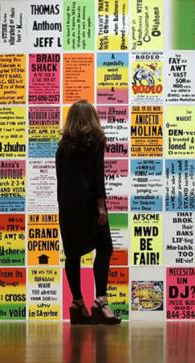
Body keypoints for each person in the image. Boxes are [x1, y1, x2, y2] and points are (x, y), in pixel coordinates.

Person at [56, 100, 121, 325]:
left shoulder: (62, 147)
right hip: (89, 205)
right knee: (105, 247)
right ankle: (100, 302)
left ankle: (77, 303)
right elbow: (97, 177)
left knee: (72, 254)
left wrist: (63, 209)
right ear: (92, 118)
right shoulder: (95, 143)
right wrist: (101, 207)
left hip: (67, 207)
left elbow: (61, 182)